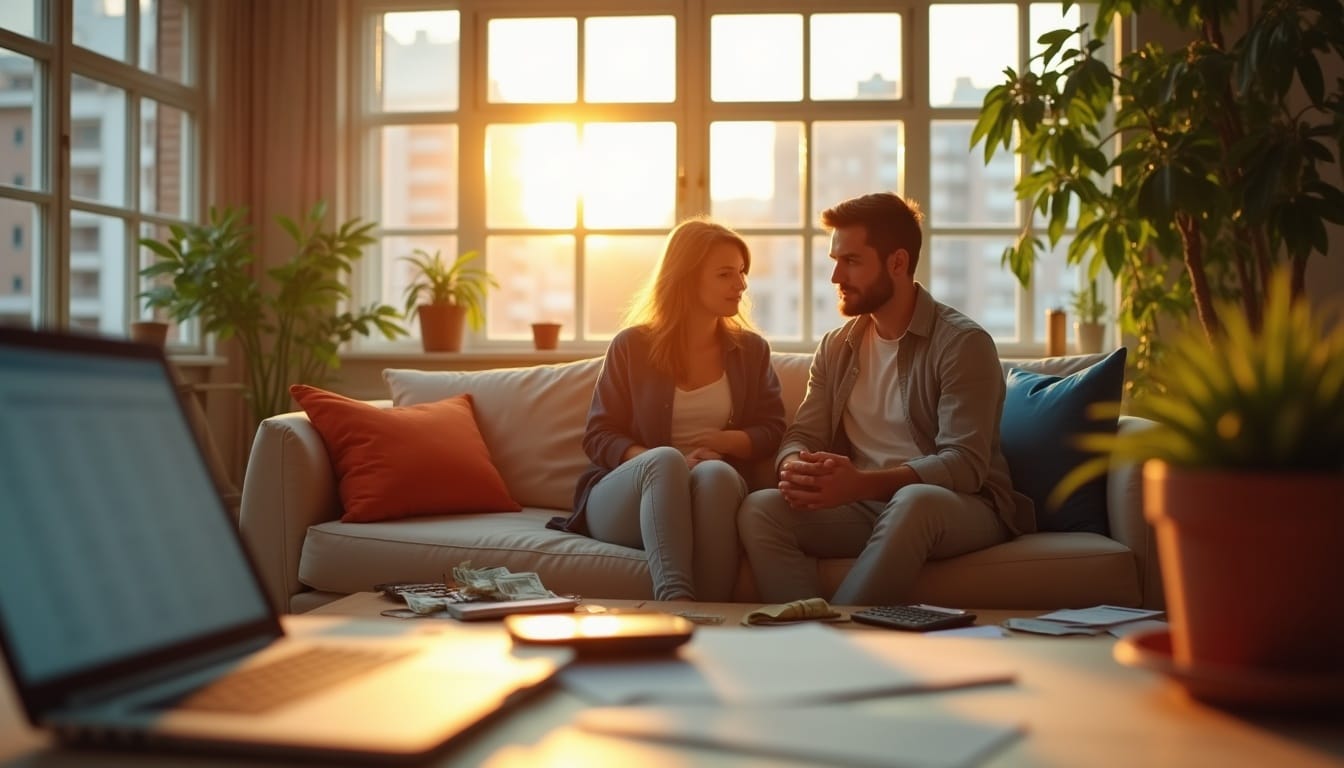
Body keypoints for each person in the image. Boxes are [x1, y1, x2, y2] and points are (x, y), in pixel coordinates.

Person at [737, 192, 1034, 606]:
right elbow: (803, 432)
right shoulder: (836, 346)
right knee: (761, 509)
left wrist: (861, 484)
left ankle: (846, 643)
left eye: (852, 261)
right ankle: (806, 631)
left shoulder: (963, 344)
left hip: (960, 506)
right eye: (835, 260)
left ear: (897, 263)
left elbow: (965, 465)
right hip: (868, 505)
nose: (836, 277)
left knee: (915, 501)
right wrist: (795, 466)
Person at [549, 218, 786, 601]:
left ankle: (713, 619)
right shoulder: (632, 346)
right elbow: (599, 435)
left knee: (718, 475)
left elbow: (773, 428)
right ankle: (675, 604)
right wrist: (664, 462)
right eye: (726, 274)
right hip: (629, 497)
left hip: (708, 493)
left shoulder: (751, 351)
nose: (741, 284)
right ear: (687, 279)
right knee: (665, 462)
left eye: (742, 273)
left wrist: (726, 442)